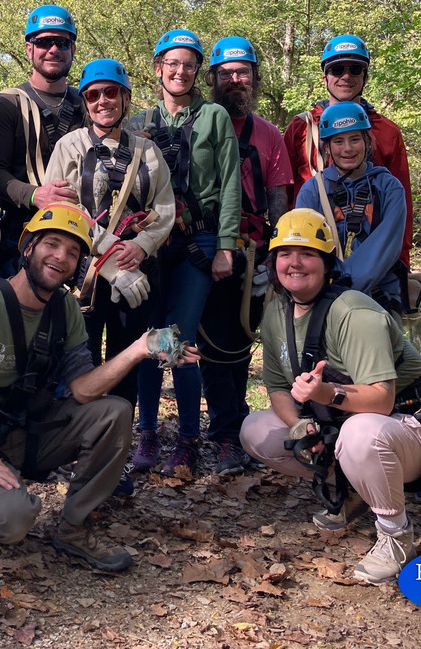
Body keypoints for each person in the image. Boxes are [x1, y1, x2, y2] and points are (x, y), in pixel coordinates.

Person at [0, 202, 199, 571]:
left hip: (22, 430)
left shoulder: (64, 308)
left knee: (114, 412)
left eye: (73, 252)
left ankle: (73, 529)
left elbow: (85, 391)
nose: (61, 257)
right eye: (52, 244)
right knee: (11, 522)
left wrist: (139, 348)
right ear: (28, 248)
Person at [239, 209, 421, 584]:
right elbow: (277, 388)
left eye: (307, 254)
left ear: (326, 264)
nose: (295, 263)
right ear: (273, 264)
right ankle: (351, 486)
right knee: (256, 430)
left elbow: (381, 401)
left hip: (405, 427)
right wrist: (301, 426)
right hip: (340, 421)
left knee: (363, 435)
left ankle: (395, 535)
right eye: (285, 254)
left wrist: (326, 392)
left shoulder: (354, 311)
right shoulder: (276, 312)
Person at [44, 59, 176, 493]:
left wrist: (142, 247)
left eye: (111, 93)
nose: (103, 101)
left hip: (137, 277)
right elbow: (62, 210)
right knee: (77, 363)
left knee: (126, 364)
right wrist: (109, 259)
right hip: (81, 278)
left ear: (124, 97)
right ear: (84, 101)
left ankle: (113, 458)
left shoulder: (147, 151)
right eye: (94, 94)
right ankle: (70, 452)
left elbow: (165, 209)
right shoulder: (68, 147)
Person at [129, 29, 241, 476]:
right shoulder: (139, 122)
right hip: (152, 243)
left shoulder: (213, 117)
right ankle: (149, 433)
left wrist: (227, 247)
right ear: (158, 68)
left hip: (200, 239)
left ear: (197, 71)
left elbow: (230, 183)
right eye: (171, 64)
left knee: (182, 339)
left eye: (188, 65)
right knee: (151, 337)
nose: (180, 72)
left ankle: (190, 439)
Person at [197, 36, 292, 475]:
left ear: (254, 77)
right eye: (226, 73)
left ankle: (235, 431)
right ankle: (222, 435)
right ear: (213, 78)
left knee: (240, 343)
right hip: (209, 249)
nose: (236, 80)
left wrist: (275, 257)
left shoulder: (269, 135)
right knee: (214, 343)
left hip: (253, 254)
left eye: (243, 72)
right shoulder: (199, 125)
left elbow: (278, 201)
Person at [282, 34, 413, 274]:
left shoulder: (386, 131)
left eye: (355, 69)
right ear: (325, 77)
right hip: (311, 256)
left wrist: (401, 262)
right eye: (337, 69)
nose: (345, 76)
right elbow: (284, 193)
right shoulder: (301, 128)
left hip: (373, 260)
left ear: (365, 77)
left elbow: (402, 203)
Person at [0, 5, 85, 276]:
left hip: (79, 233)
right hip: (21, 234)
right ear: (29, 49)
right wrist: (34, 195)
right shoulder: (7, 104)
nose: (53, 49)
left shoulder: (89, 103)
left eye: (62, 42)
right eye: (44, 42)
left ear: (73, 49)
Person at [294, 101, 407, 323]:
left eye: (355, 139)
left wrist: (343, 290)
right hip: (322, 297)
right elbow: (304, 247)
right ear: (327, 147)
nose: (348, 148)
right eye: (338, 141)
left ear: (367, 142)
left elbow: (386, 246)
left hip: (378, 297)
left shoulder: (388, 188)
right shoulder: (313, 190)